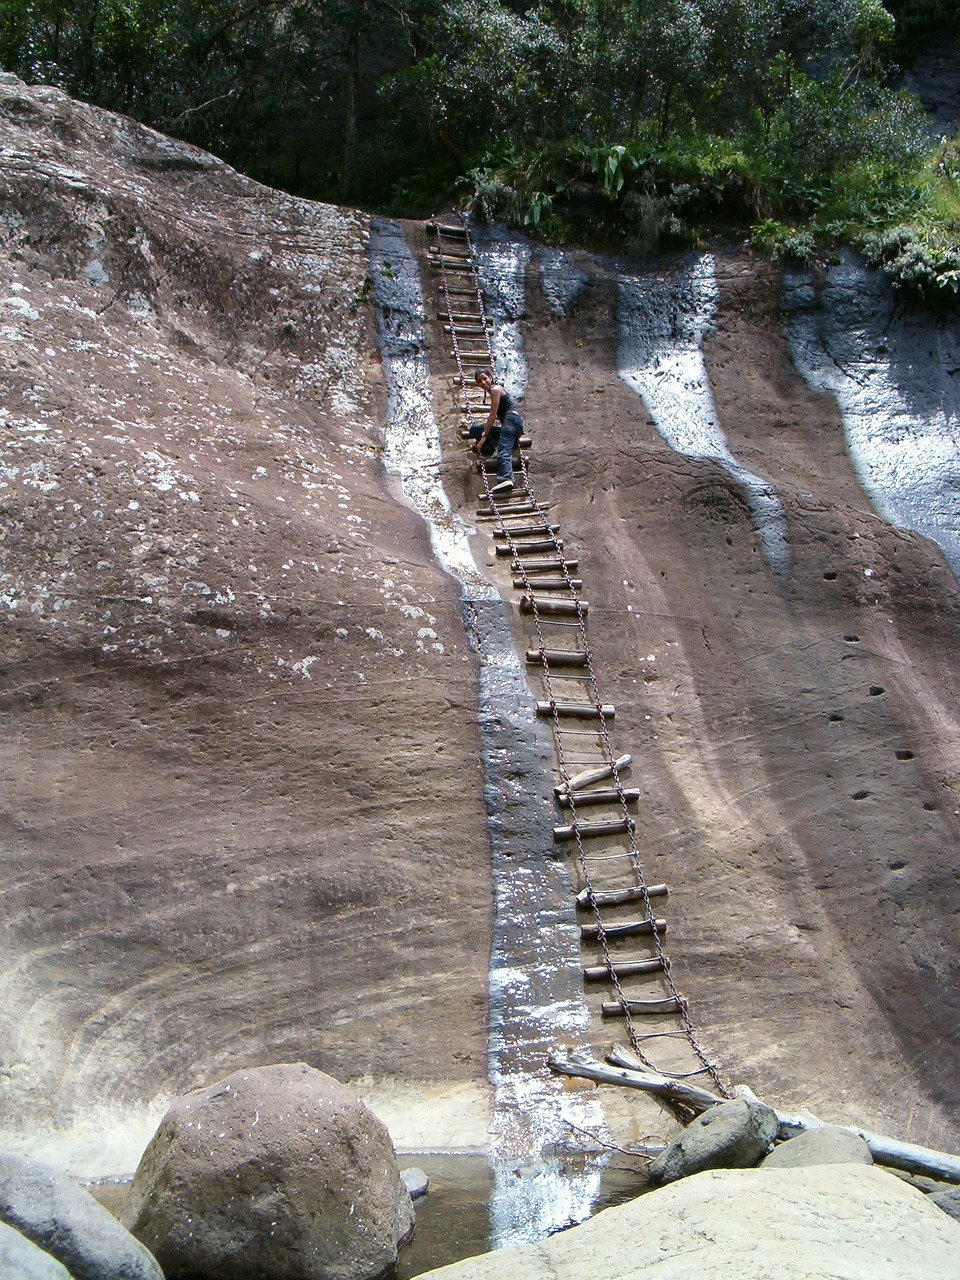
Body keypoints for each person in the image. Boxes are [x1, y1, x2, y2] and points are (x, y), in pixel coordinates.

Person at [468, 368, 524, 494]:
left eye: (484, 379)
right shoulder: (492, 391)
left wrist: (484, 437)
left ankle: (506, 478)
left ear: (490, 377)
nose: (483, 382)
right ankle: (492, 447)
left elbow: (493, 415)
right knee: (474, 429)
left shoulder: (495, 389)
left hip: (511, 421)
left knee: (503, 450)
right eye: (479, 381)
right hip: (510, 426)